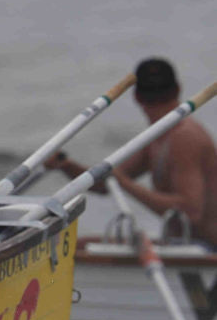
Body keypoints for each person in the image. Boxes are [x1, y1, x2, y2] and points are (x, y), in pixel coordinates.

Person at [48, 57, 217, 243]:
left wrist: (124, 183)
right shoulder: (157, 137)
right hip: (186, 247)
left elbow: (190, 212)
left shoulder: (184, 137)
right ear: (178, 88)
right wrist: (66, 165)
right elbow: (105, 183)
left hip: (208, 250)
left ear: (136, 96)